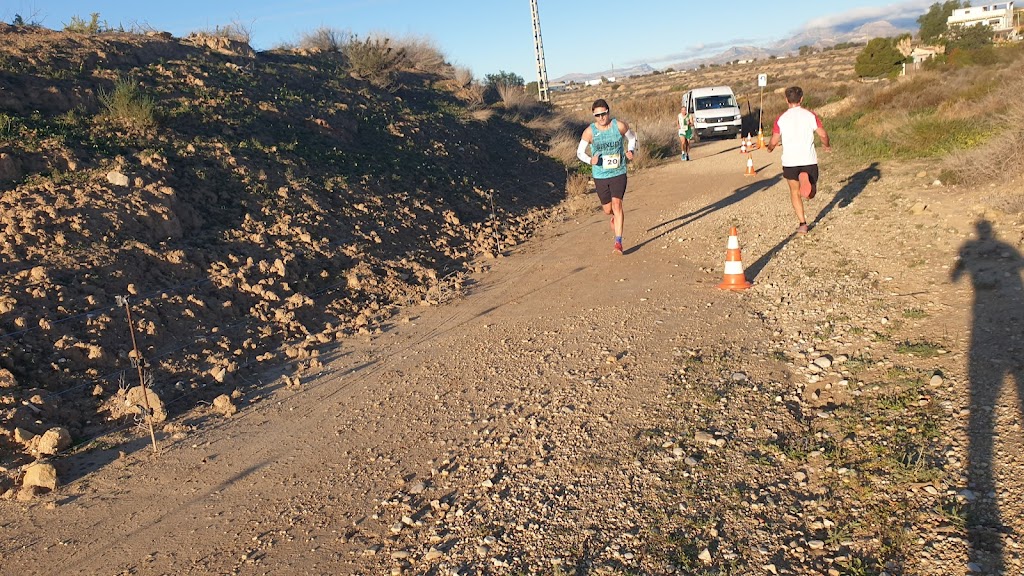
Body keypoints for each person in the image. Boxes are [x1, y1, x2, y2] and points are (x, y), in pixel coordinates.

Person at [765, 86, 831, 235]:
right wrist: (826, 145)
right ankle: (809, 188)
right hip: (808, 160)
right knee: (811, 193)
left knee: (795, 192)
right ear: (801, 99)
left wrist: (769, 148)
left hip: (790, 162)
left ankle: (802, 224)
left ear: (786, 100)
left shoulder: (781, 119)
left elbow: (774, 140)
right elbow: (823, 134)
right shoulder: (810, 115)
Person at [577, 98, 637, 254]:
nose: (601, 117)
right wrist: (590, 160)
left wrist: (631, 151)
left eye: (603, 114)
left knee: (617, 205)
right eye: (597, 115)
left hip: (618, 172)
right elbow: (579, 152)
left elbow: (632, 138)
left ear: (608, 112)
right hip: (600, 175)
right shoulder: (589, 132)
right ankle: (614, 218)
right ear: (594, 116)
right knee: (607, 209)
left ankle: (618, 242)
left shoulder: (619, 126)